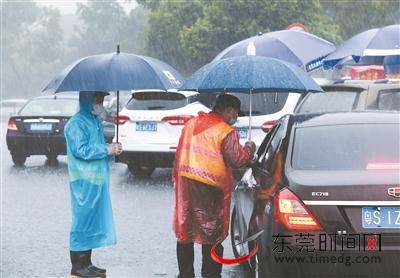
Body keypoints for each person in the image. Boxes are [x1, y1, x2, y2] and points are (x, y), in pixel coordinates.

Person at [173, 93, 256, 278]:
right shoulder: (225, 131)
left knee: (185, 230)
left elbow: (178, 155)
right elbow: (237, 159)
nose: (236, 118)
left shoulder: (191, 124)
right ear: (229, 110)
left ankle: (185, 275)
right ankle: (210, 274)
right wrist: (250, 148)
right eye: (235, 114)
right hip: (210, 189)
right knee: (212, 233)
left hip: (186, 184)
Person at [64, 91, 122, 278]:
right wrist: (106, 149)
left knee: (92, 222)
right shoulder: (76, 123)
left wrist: (112, 149)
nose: (100, 103)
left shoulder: (93, 120)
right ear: (87, 99)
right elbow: (81, 150)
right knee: (82, 221)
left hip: (96, 179)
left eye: (102, 99)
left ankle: (86, 263)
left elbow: (97, 148)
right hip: (83, 180)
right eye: (97, 99)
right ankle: (78, 266)